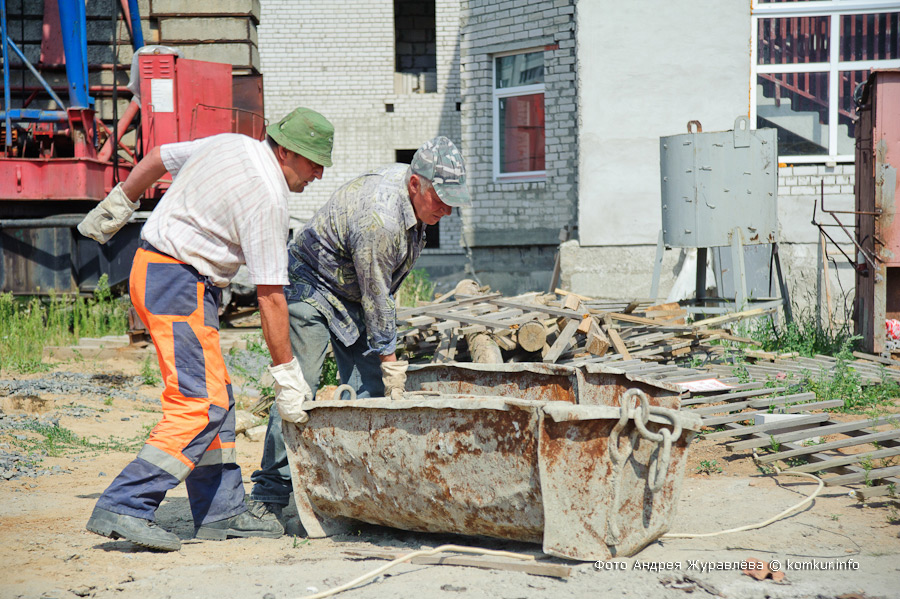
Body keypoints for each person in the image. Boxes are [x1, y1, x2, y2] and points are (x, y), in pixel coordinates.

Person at [79, 107, 334, 551]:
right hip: (177, 281)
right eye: (314, 163)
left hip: (165, 274)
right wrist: (288, 376)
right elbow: (271, 296)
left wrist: (122, 199)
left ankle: (221, 511)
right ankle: (126, 503)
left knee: (219, 398)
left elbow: (158, 156)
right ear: (288, 151)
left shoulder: (232, 143)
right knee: (200, 403)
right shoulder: (268, 195)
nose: (317, 174)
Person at [247, 136, 470, 521]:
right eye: (441, 199)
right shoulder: (379, 220)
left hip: (351, 291)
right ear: (416, 184)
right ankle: (270, 493)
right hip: (310, 285)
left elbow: (378, 291)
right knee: (301, 384)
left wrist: (384, 369)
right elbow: (378, 294)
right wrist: (391, 358)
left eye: (453, 201)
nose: (447, 210)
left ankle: (357, 489)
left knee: (372, 387)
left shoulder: (414, 198)